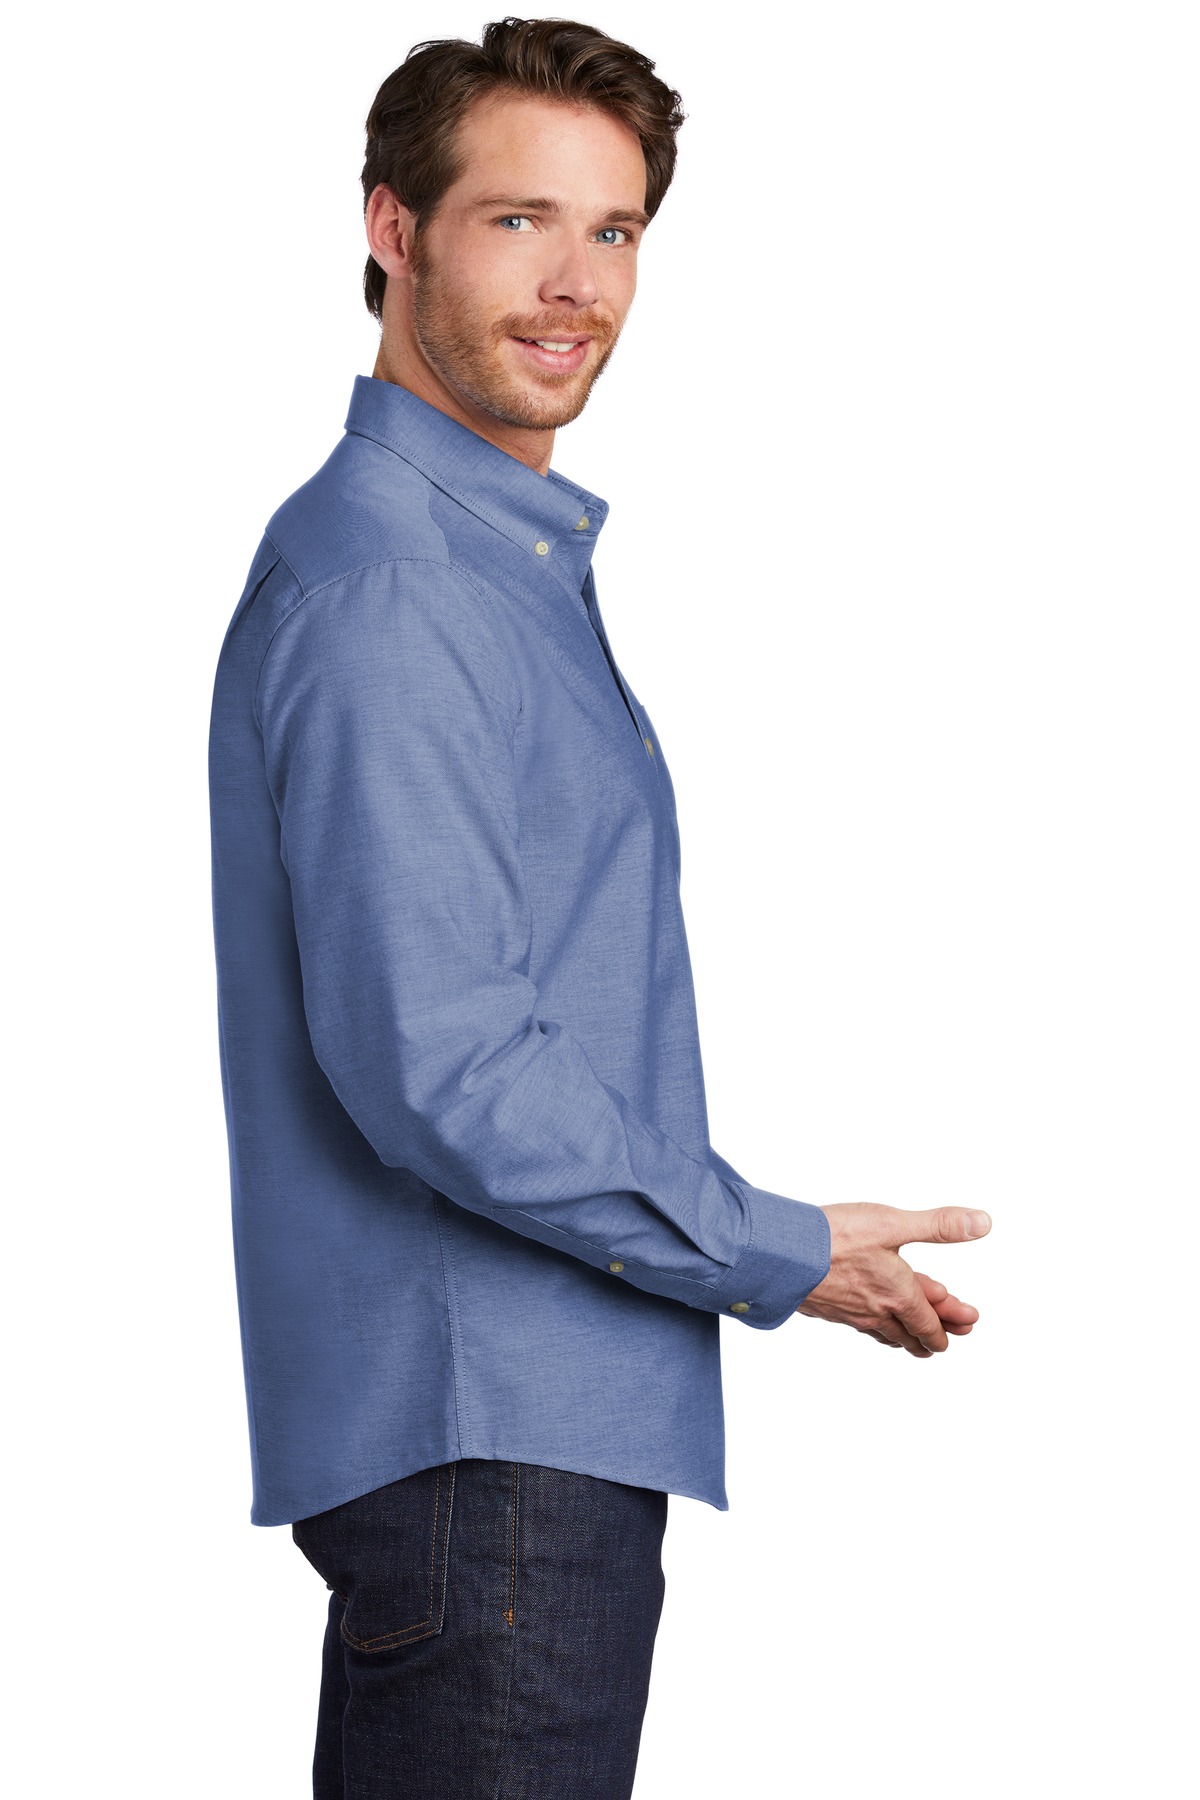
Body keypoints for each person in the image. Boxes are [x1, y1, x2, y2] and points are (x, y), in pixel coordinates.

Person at [207, 18, 991, 1798]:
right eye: (519, 221)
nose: (578, 285)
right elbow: (442, 1061)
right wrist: (775, 1246)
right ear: (393, 229)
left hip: (511, 1447)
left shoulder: (481, 566)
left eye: (615, 229)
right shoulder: (396, 587)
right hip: (491, 1450)